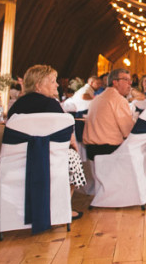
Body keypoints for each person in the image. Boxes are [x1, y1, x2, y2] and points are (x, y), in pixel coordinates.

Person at [8, 64, 88, 218]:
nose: (57, 85)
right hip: (48, 159)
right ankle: (62, 209)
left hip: (17, 160)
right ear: (38, 85)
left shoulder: (16, 106)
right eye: (52, 81)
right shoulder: (51, 104)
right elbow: (65, 135)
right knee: (74, 157)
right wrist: (73, 146)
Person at [83, 67, 134, 159]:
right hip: (109, 151)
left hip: (90, 150)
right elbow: (128, 131)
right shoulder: (118, 100)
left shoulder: (97, 98)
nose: (130, 83)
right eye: (126, 80)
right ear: (115, 82)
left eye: (130, 80)